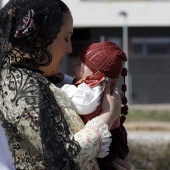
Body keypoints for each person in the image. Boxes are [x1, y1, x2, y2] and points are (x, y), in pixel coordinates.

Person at [0, 0, 131, 169]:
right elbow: (61, 158)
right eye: (66, 38)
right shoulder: (20, 87)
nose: (69, 48)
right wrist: (107, 117)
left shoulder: (42, 81)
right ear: (42, 37)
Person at [60, 41, 129, 169]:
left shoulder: (94, 89)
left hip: (106, 143)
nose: (74, 64)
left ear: (95, 73)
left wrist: (63, 89)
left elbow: (83, 103)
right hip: (115, 138)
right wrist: (65, 78)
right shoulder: (100, 85)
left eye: (80, 63)